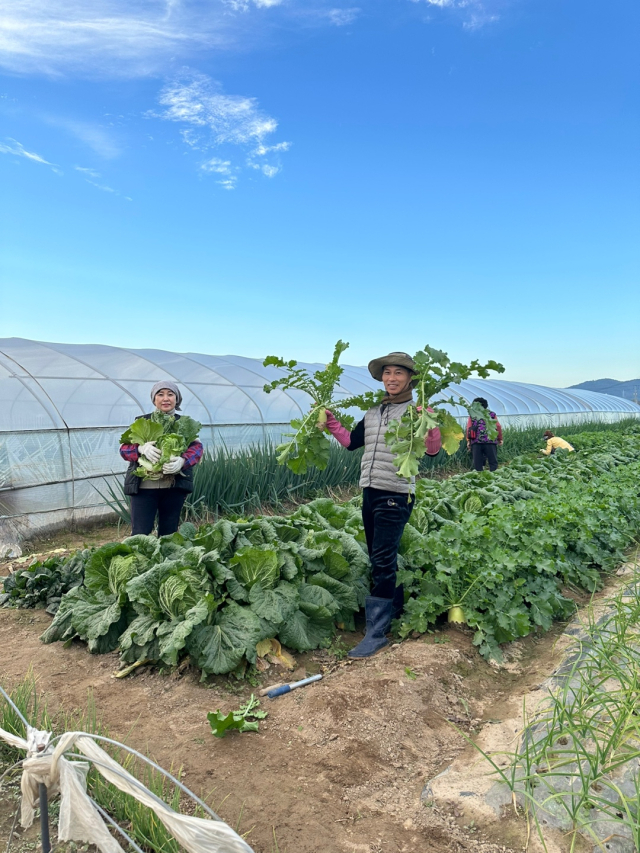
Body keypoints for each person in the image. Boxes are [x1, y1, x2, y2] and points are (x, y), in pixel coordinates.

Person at [322, 352, 442, 658]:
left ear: (410, 379)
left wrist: (428, 421)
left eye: (398, 373)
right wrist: (331, 422)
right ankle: (396, 609)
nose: (392, 378)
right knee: (381, 556)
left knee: (382, 559)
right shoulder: (374, 412)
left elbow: (432, 451)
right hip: (370, 491)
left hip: (396, 492)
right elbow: (351, 442)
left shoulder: (417, 411)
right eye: (387, 373)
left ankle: (377, 632)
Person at [120, 381, 203, 536]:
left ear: (176, 399)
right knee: (140, 532)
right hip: (144, 488)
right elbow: (123, 450)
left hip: (173, 487)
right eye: (160, 394)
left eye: (170, 394)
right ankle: (141, 560)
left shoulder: (184, 423)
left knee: (169, 533)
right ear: (154, 399)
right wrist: (140, 449)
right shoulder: (142, 422)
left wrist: (182, 461)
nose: (166, 398)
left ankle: (166, 560)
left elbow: (197, 449)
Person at [466, 397, 502, 472]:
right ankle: (495, 477)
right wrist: (500, 438)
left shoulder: (472, 415)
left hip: (476, 441)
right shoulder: (492, 414)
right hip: (490, 441)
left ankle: (480, 478)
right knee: (493, 462)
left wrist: (468, 441)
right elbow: (498, 426)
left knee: (478, 463)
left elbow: (469, 428)